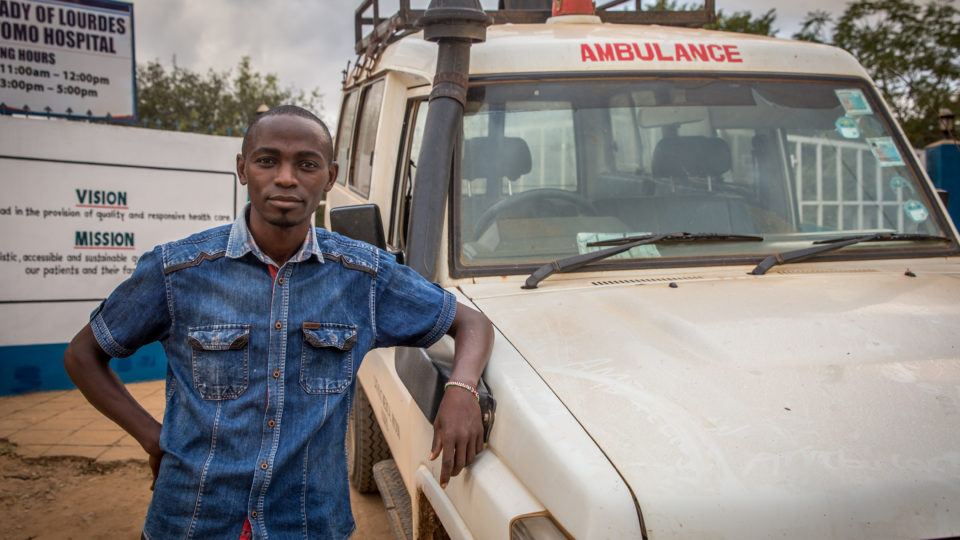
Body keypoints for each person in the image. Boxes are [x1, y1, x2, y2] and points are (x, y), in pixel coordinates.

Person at [63, 105, 494, 539]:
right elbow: (84, 355)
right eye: (268, 160)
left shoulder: (363, 277)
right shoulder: (178, 271)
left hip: (309, 523)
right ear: (243, 168)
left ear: (329, 177)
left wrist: (461, 391)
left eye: (306, 164)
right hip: (192, 520)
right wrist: (152, 438)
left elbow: (471, 324)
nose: (286, 177)